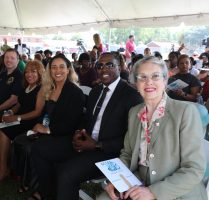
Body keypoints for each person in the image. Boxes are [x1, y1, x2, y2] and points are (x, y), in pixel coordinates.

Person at [31, 52, 143, 200]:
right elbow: (86, 119)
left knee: (66, 172)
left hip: (108, 152)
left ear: (120, 67)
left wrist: (97, 145)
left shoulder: (131, 96)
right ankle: (48, 193)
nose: (104, 69)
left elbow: (132, 139)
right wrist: (79, 133)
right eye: (99, 65)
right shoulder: (96, 91)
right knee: (39, 149)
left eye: (109, 65)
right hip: (85, 142)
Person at [99, 56, 207, 200]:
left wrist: (153, 192)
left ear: (165, 80)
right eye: (142, 77)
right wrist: (117, 179)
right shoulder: (134, 112)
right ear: (136, 83)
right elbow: (128, 154)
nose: (148, 82)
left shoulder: (185, 112)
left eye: (155, 76)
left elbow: (194, 169)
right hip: (139, 181)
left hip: (176, 191)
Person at [17, 54, 85, 200]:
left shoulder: (75, 92)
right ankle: (31, 184)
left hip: (68, 138)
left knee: (36, 149)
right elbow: (47, 114)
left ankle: (46, 193)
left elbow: (71, 124)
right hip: (52, 133)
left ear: (68, 70)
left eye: (61, 67)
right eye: (54, 67)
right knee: (22, 140)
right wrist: (40, 126)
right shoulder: (51, 88)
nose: (57, 70)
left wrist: (47, 130)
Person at [0, 60, 45, 183]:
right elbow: (18, 104)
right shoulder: (27, 86)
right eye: (27, 72)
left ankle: (3, 169)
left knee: (4, 129)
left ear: (40, 73)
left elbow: (37, 112)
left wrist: (16, 118)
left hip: (31, 122)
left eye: (33, 71)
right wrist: (10, 113)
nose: (29, 74)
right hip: (20, 118)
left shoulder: (41, 89)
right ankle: (0, 164)